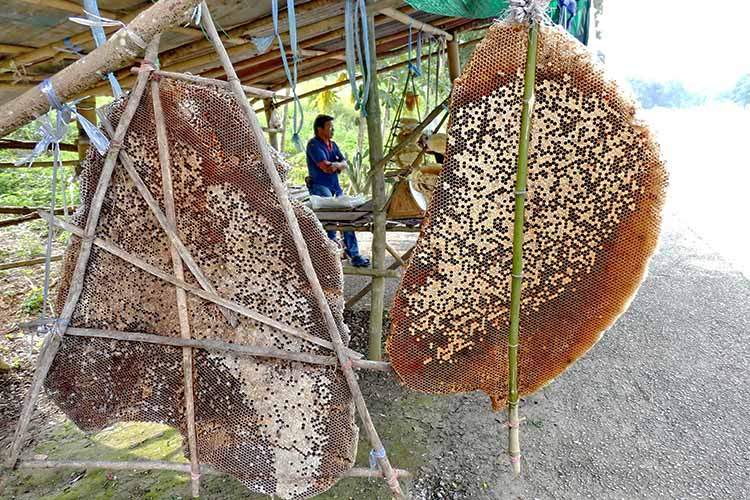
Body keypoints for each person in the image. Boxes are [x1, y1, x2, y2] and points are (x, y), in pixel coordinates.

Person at [306, 114, 370, 267]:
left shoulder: (332, 145)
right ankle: (328, 257)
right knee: (329, 222)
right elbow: (326, 167)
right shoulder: (314, 145)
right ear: (319, 129)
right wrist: (336, 165)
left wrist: (337, 165)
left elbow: (344, 163)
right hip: (320, 186)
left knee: (347, 217)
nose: (332, 129)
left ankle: (353, 254)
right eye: (329, 126)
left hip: (334, 186)